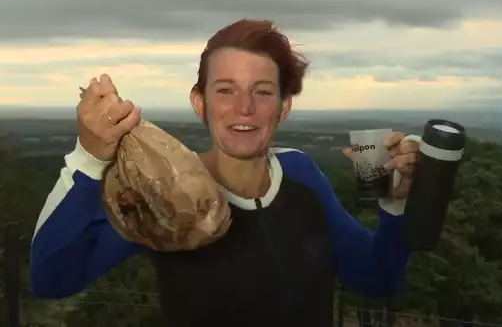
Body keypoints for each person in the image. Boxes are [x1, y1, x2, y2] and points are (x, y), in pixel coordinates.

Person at [30, 19, 421, 327]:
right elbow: (52, 280)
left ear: (284, 106)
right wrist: (88, 158)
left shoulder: (302, 172)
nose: (245, 108)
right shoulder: (161, 191)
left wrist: (394, 202)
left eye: (263, 91)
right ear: (200, 103)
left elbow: (377, 278)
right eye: (226, 90)